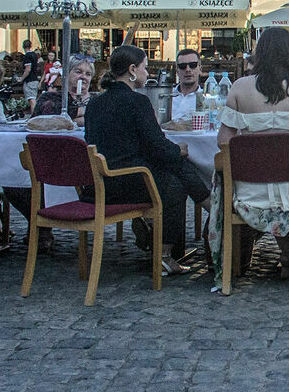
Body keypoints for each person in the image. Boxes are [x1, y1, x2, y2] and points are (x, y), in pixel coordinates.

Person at [212, 28, 289, 283]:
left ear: (259, 54)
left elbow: (224, 143)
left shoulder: (239, 88)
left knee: (282, 190)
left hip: (249, 193)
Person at [84, 44, 210, 276]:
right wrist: (179, 150)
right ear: (132, 70)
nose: (147, 73)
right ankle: (164, 253)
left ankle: (206, 211)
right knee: (176, 181)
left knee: (175, 167)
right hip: (129, 182)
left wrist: (171, 153)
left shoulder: (94, 104)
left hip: (98, 184)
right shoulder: (138, 103)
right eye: (145, 68)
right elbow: (157, 147)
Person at [32, 55, 95, 126]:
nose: (83, 77)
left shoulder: (97, 99)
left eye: (88, 74)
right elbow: (48, 117)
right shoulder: (50, 97)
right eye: (78, 72)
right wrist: (81, 113)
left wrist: (72, 120)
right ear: (66, 73)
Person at [171, 48, 204, 120]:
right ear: (177, 71)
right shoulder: (167, 97)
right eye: (182, 66)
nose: (188, 69)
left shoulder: (206, 99)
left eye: (193, 65)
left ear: (200, 69)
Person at [19, 39, 41, 107]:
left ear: (23, 46)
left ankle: (33, 116)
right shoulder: (34, 55)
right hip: (35, 78)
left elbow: (28, 69)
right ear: (31, 46)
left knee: (31, 99)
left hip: (29, 80)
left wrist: (21, 79)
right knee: (32, 98)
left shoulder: (27, 56)